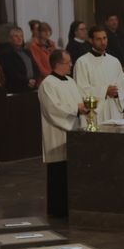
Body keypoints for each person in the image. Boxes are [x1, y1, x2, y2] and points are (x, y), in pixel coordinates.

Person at [38, 50, 85, 219]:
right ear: (59, 64)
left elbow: (78, 102)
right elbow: (52, 109)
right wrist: (76, 109)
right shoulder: (47, 84)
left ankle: (70, 207)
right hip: (57, 132)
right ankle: (57, 209)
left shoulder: (71, 81)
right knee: (58, 173)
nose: (71, 65)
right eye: (68, 62)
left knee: (70, 172)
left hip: (73, 130)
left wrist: (82, 108)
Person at [74, 24, 124, 122]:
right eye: (98, 39)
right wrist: (104, 91)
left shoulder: (114, 61)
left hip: (113, 110)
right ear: (91, 40)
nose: (103, 42)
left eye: (104, 38)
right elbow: (81, 90)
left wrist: (117, 93)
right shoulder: (82, 62)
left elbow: (122, 86)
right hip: (94, 114)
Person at [0, 27, 40, 91]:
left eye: (21, 36)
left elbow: (35, 67)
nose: (20, 38)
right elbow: (11, 72)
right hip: (17, 87)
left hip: (31, 86)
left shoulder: (27, 52)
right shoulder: (6, 53)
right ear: (10, 39)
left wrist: (34, 79)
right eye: (16, 36)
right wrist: (27, 81)